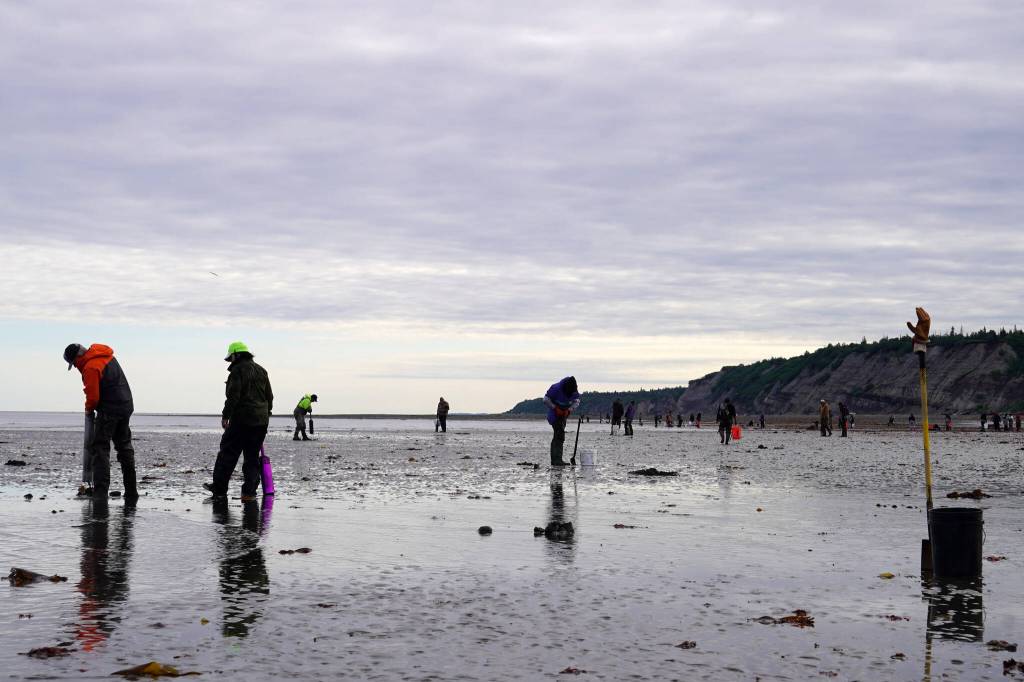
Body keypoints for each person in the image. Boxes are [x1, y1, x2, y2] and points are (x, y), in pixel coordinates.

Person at [63, 343, 137, 500]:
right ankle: (131, 492)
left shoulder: (90, 367)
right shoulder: (107, 356)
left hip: (110, 410)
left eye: (74, 363)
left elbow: (93, 397)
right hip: (126, 406)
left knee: (100, 448)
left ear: (77, 357)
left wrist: (88, 409)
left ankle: (100, 495)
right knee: (124, 448)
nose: (75, 367)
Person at [205, 342, 273, 501]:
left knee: (228, 454)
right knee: (252, 457)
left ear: (236, 355)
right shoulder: (262, 370)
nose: (230, 362)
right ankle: (249, 493)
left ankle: (219, 490)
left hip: (242, 419)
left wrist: (225, 416)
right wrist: (266, 414)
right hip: (261, 422)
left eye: (231, 358)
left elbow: (233, 396)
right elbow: (269, 397)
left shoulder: (237, 371)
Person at [544, 376, 580, 466]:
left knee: (559, 436)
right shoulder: (555, 388)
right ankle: (556, 461)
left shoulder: (573, 390)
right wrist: (555, 408)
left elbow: (577, 401)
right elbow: (545, 399)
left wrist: (569, 410)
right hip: (554, 415)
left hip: (564, 415)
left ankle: (557, 460)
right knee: (559, 435)